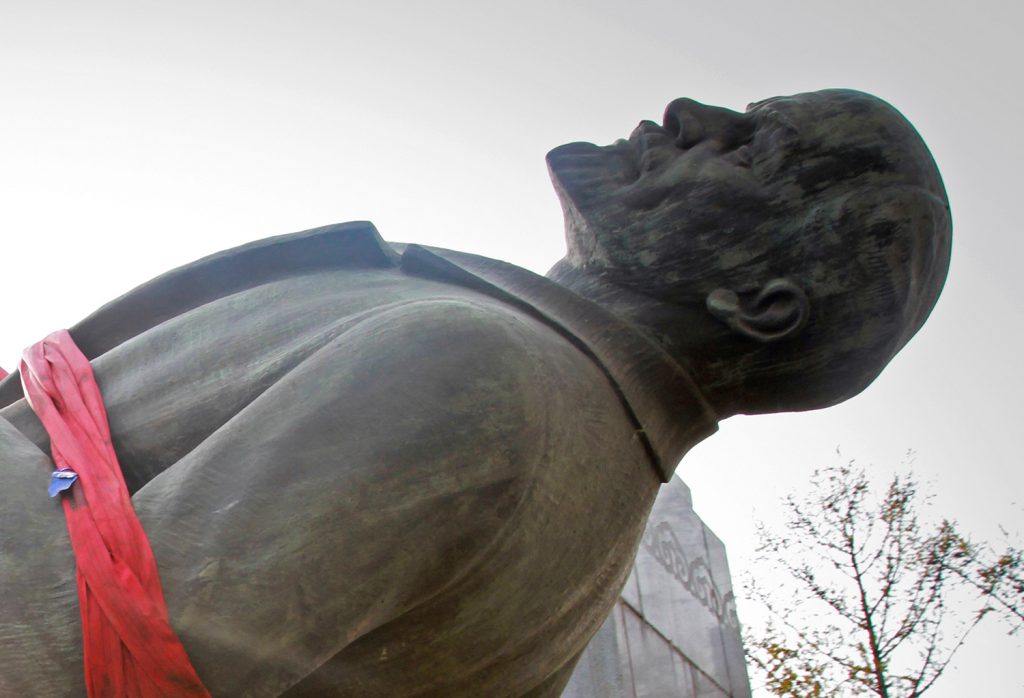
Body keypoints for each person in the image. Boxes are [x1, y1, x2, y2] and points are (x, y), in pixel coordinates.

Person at [0, 89, 950, 697]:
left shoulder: (486, 381)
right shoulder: (556, 422)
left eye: (750, 152)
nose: (691, 111)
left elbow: (63, 658)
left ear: (755, 304)